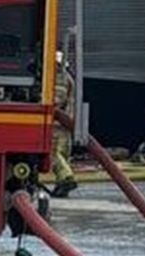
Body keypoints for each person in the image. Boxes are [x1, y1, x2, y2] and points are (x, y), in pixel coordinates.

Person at [51, 51, 78, 197]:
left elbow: (56, 99)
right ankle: (62, 184)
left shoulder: (60, 77)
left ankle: (67, 179)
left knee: (53, 153)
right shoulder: (66, 77)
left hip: (57, 125)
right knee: (62, 155)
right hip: (63, 125)